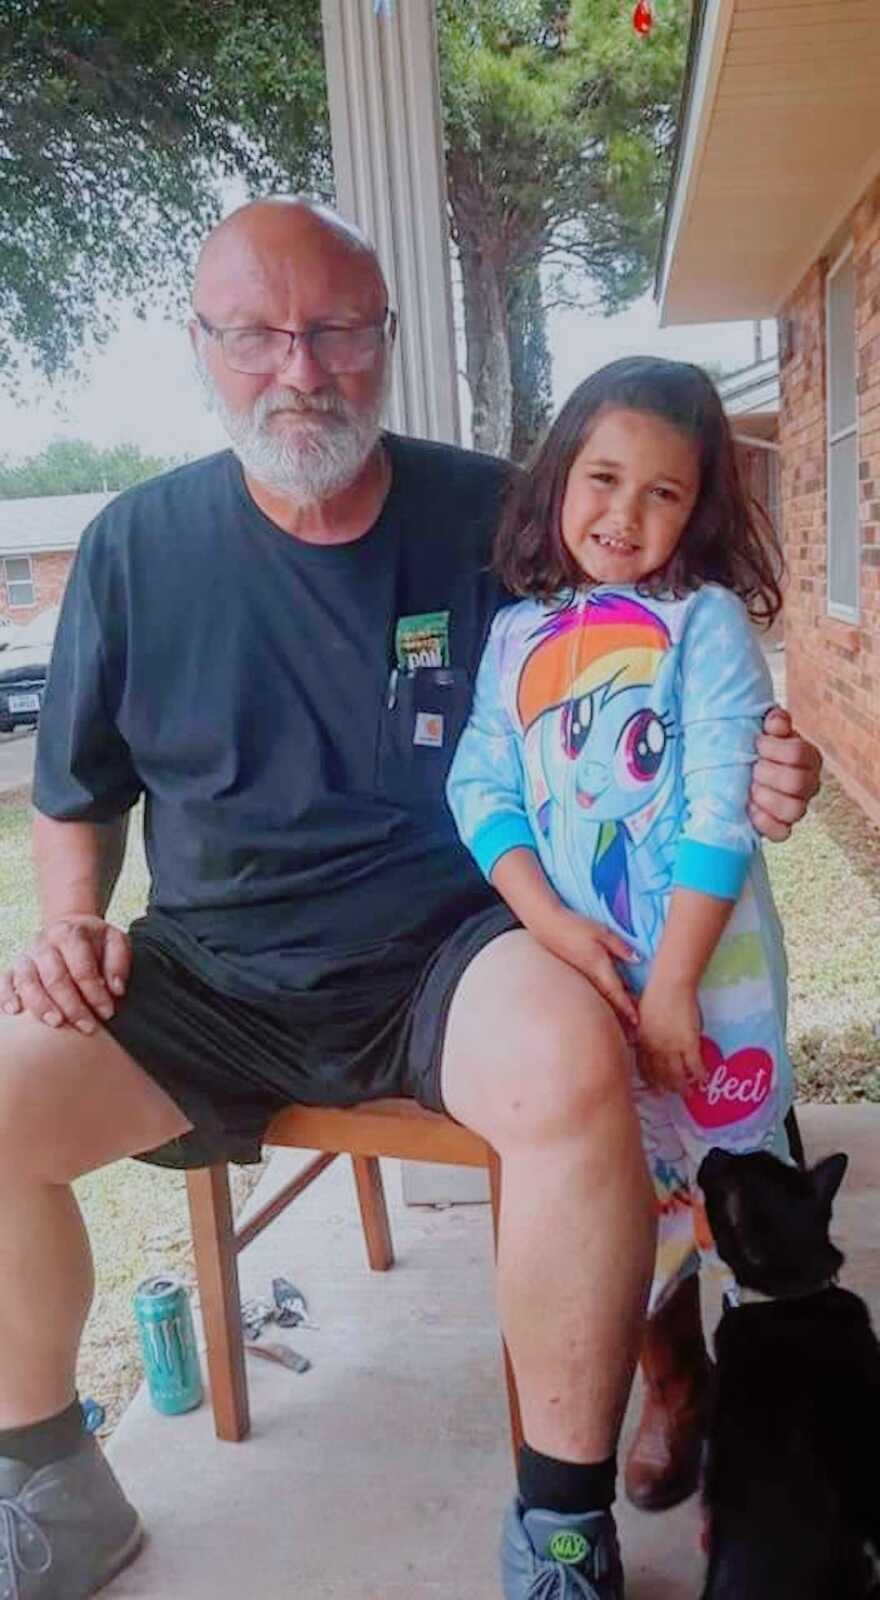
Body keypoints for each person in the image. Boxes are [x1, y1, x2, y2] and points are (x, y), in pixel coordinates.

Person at [0, 199, 820, 1600]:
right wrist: (70, 920)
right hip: (208, 970)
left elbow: (665, 637)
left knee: (577, 1064)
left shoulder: (493, 510)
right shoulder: (134, 546)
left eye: (334, 331)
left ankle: (561, 1527)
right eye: (257, 333)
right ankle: (50, 1486)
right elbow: (77, 793)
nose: (300, 368)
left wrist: (766, 760)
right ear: (204, 345)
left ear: (384, 340)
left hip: (454, 946)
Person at [447, 358, 796, 1559]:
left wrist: (676, 985)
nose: (623, 515)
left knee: (738, 1188)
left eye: (662, 492)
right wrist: (545, 922)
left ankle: (776, 1426)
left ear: (696, 507)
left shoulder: (705, 630)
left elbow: (715, 815)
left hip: (705, 977)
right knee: (623, 1194)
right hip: (588, 968)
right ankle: (677, 1383)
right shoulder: (513, 639)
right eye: (601, 478)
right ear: (556, 482)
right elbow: (480, 785)